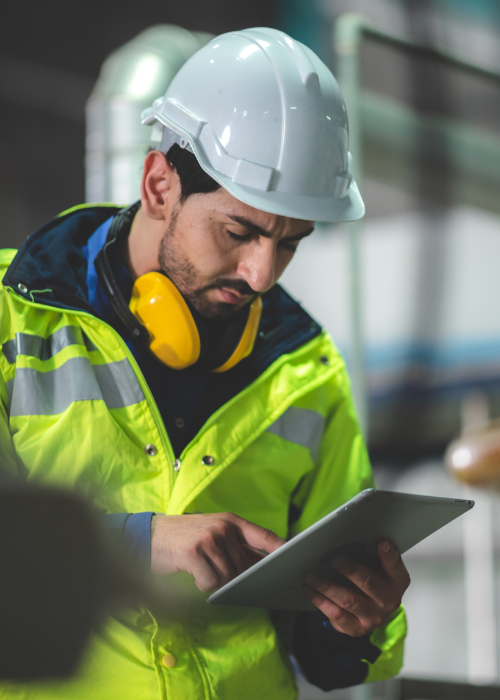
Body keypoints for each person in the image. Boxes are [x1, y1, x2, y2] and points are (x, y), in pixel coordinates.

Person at [0, 27, 409, 699]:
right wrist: (135, 544)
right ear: (160, 185)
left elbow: (326, 660)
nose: (260, 275)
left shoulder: (305, 369)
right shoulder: (12, 321)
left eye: (289, 244)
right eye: (238, 232)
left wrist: (356, 623)